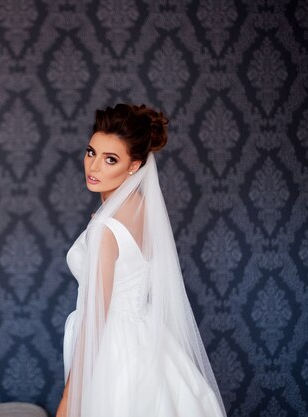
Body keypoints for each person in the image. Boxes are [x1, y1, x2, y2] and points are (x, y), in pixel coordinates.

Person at [56, 104, 226, 417]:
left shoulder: (105, 229)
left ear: (134, 166)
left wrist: (69, 399)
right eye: (91, 152)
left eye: (110, 160)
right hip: (148, 340)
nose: (93, 167)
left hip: (112, 351)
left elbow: (96, 319)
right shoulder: (145, 213)